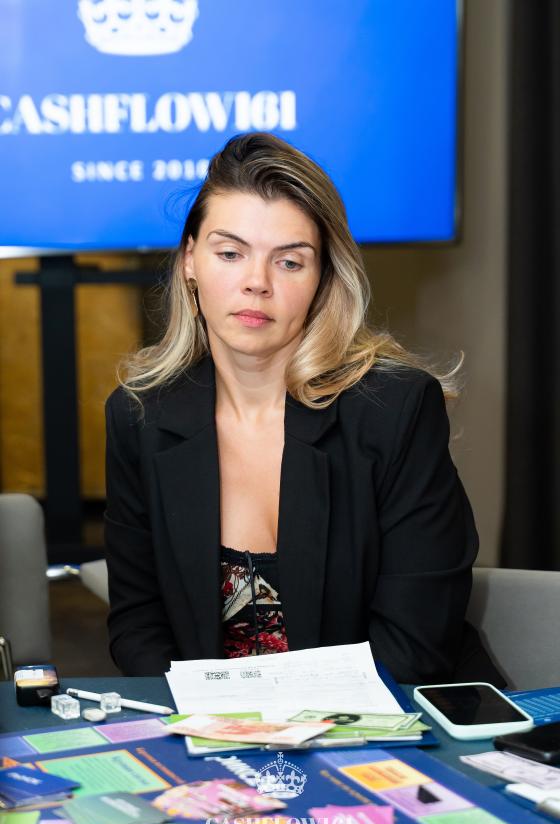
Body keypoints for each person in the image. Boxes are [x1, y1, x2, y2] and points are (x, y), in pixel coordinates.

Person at [105, 132, 504, 685]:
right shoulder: (139, 416)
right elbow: (137, 624)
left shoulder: (395, 409)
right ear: (190, 261)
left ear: (322, 279)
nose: (256, 283)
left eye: (290, 262)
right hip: (211, 726)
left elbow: (414, 644)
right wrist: (213, 719)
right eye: (230, 253)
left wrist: (284, 725)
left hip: (388, 717)